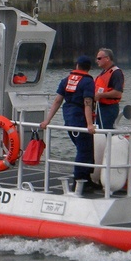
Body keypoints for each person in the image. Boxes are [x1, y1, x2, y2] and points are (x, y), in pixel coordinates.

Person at [40, 55, 96, 193]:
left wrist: (47, 120)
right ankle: (78, 181)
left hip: (69, 118)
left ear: (77, 65)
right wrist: (90, 124)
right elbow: (87, 103)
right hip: (80, 120)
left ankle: (87, 179)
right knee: (84, 150)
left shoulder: (66, 80)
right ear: (89, 68)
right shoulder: (88, 82)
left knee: (85, 149)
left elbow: (57, 101)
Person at [93, 47, 124, 130]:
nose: (97, 61)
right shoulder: (103, 72)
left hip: (109, 108)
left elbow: (118, 92)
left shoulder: (116, 73)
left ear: (107, 58)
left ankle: (110, 142)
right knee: (99, 130)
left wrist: (100, 95)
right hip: (100, 107)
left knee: (106, 131)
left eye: (99, 58)